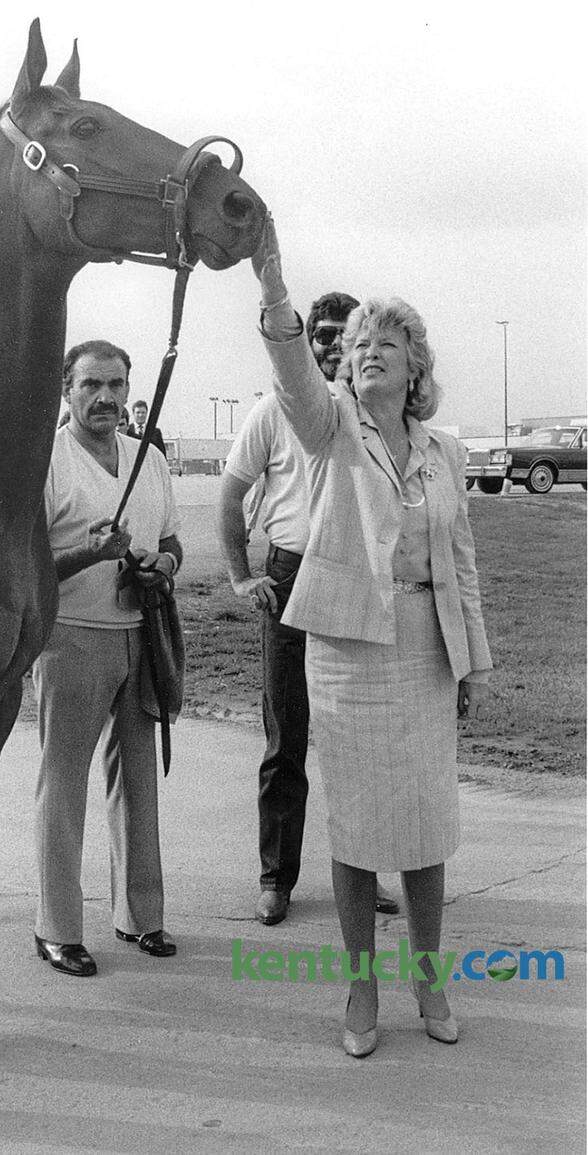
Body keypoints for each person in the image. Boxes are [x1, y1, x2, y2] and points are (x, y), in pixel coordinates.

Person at [250, 216, 492, 1057]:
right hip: (349, 653)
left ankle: (429, 974)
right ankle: (361, 986)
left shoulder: (446, 451)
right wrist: (274, 288)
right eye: (359, 343)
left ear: (416, 363)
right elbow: (292, 376)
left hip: (427, 647)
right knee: (356, 828)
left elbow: (459, 561)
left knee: (425, 828)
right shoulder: (330, 430)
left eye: (389, 341)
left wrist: (471, 662)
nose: (370, 352)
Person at [218, 292, 400, 927]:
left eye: (342, 338)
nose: (329, 346)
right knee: (285, 738)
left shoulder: (375, 418)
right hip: (291, 576)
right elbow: (231, 493)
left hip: (357, 576)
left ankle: (364, 871)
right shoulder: (273, 412)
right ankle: (277, 877)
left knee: (359, 741)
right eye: (320, 335)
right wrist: (242, 576)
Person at [32, 339, 183, 976]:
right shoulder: (46, 461)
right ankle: (57, 928)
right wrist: (91, 556)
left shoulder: (148, 459)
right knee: (62, 785)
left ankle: (140, 916)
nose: (107, 398)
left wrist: (164, 564)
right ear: (66, 390)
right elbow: (27, 563)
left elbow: (172, 538)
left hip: (138, 635)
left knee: (138, 781)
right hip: (70, 637)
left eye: (117, 385)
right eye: (92, 384)